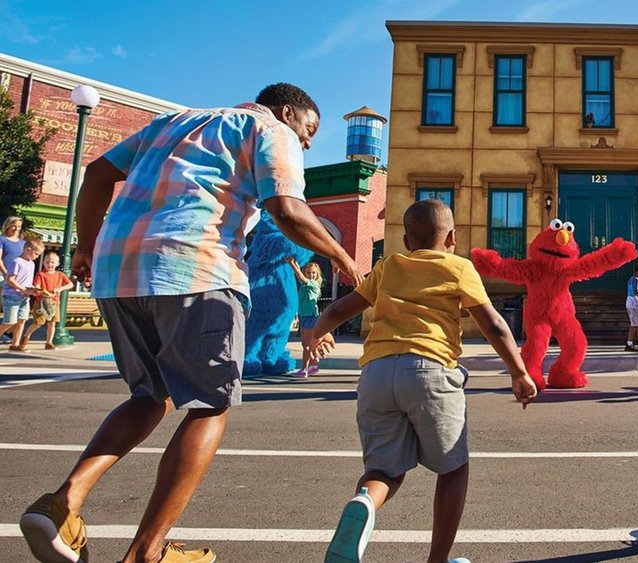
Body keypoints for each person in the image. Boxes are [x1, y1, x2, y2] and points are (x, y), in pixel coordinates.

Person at [19, 83, 364, 563]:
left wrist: (84, 246)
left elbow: (97, 174)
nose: (307, 143)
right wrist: (343, 258)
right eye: (309, 131)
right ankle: (147, 551)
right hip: (197, 270)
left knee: (149, 397)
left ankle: (62, 503)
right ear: (289, 112)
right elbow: (286, 209)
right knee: (209, 407)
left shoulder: (172, 121)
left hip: (120, 275)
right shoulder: (270, 129)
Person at [310, 199, 537, 563]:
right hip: (429, 370)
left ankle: (364, 502)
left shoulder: (389, 265)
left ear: (405, 240)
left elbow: (341, 308)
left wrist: (315, 334)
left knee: (383, 470)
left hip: (376, 373)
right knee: (453, 467)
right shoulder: (459, 267)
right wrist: (518, 372)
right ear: (451, 238)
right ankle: (437, 560)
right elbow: (493, 323)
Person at [19, 250, 74, 350]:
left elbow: (70, 284)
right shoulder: (41, 274)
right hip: (41, 302)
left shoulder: (60, 274)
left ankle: (49, 342)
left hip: (54, 302)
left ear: (57, 264)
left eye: (52, 262)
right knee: (38, 322)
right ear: (44, 263)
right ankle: (26, 337)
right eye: (47, 262)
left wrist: (60, 288)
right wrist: (39, 289)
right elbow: (37, 285)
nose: (50, 264)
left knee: (52, 323)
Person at [2, 239, 43, 352]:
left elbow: (27, 281)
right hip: (12, 296)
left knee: (22, 320)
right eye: (36, 254)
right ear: (28, 250)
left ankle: (15, 344)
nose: (37, 257)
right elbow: (10, 279)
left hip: (24, 297)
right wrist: (23, 289)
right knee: (10, 322)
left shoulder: (32, 264)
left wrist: (32, 289)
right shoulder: (17, 262)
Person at [287, 257, 323, 377]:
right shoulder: (305, 284)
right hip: (305, 316)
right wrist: (295, 263)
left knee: (306, 345)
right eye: (308, 272)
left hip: (311, 317)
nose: (311, 275)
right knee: (306, 344)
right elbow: (301, 277)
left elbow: (301, 277)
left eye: (313, 273)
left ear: (317, 274)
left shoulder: (313, 284)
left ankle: (304, 369)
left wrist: (292, 264)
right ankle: (313, 365)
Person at [0, 216, 27, 343]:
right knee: (4, 304)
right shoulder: (2, 240)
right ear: (8, 226)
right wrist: (5, 272)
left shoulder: (23, 243)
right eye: (14, 225)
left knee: (18, 310)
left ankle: (11, 335)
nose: (16, 229)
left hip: (19, 278)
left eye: (19, 226)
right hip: (4, 275)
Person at [624, 262, 638, 351]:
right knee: (635, 324)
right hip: (634, 304)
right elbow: (635, 292)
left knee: (637, 324)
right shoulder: (636, 280)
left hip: (633, 304)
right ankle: (630, 343)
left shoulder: (633, 279)